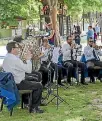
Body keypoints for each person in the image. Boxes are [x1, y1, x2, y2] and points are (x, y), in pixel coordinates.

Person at [3, 41, 44, 113]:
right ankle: (34, 108)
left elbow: (19, 65)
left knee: (33, 79)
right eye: (17, 48)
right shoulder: (14, 59)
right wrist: (28, 59)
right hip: (17, 84)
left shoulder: (7, 57)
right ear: (13, 49)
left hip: (11, 83)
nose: (19, 49)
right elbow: (28, 70)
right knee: (38, 85)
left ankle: (27, 102)